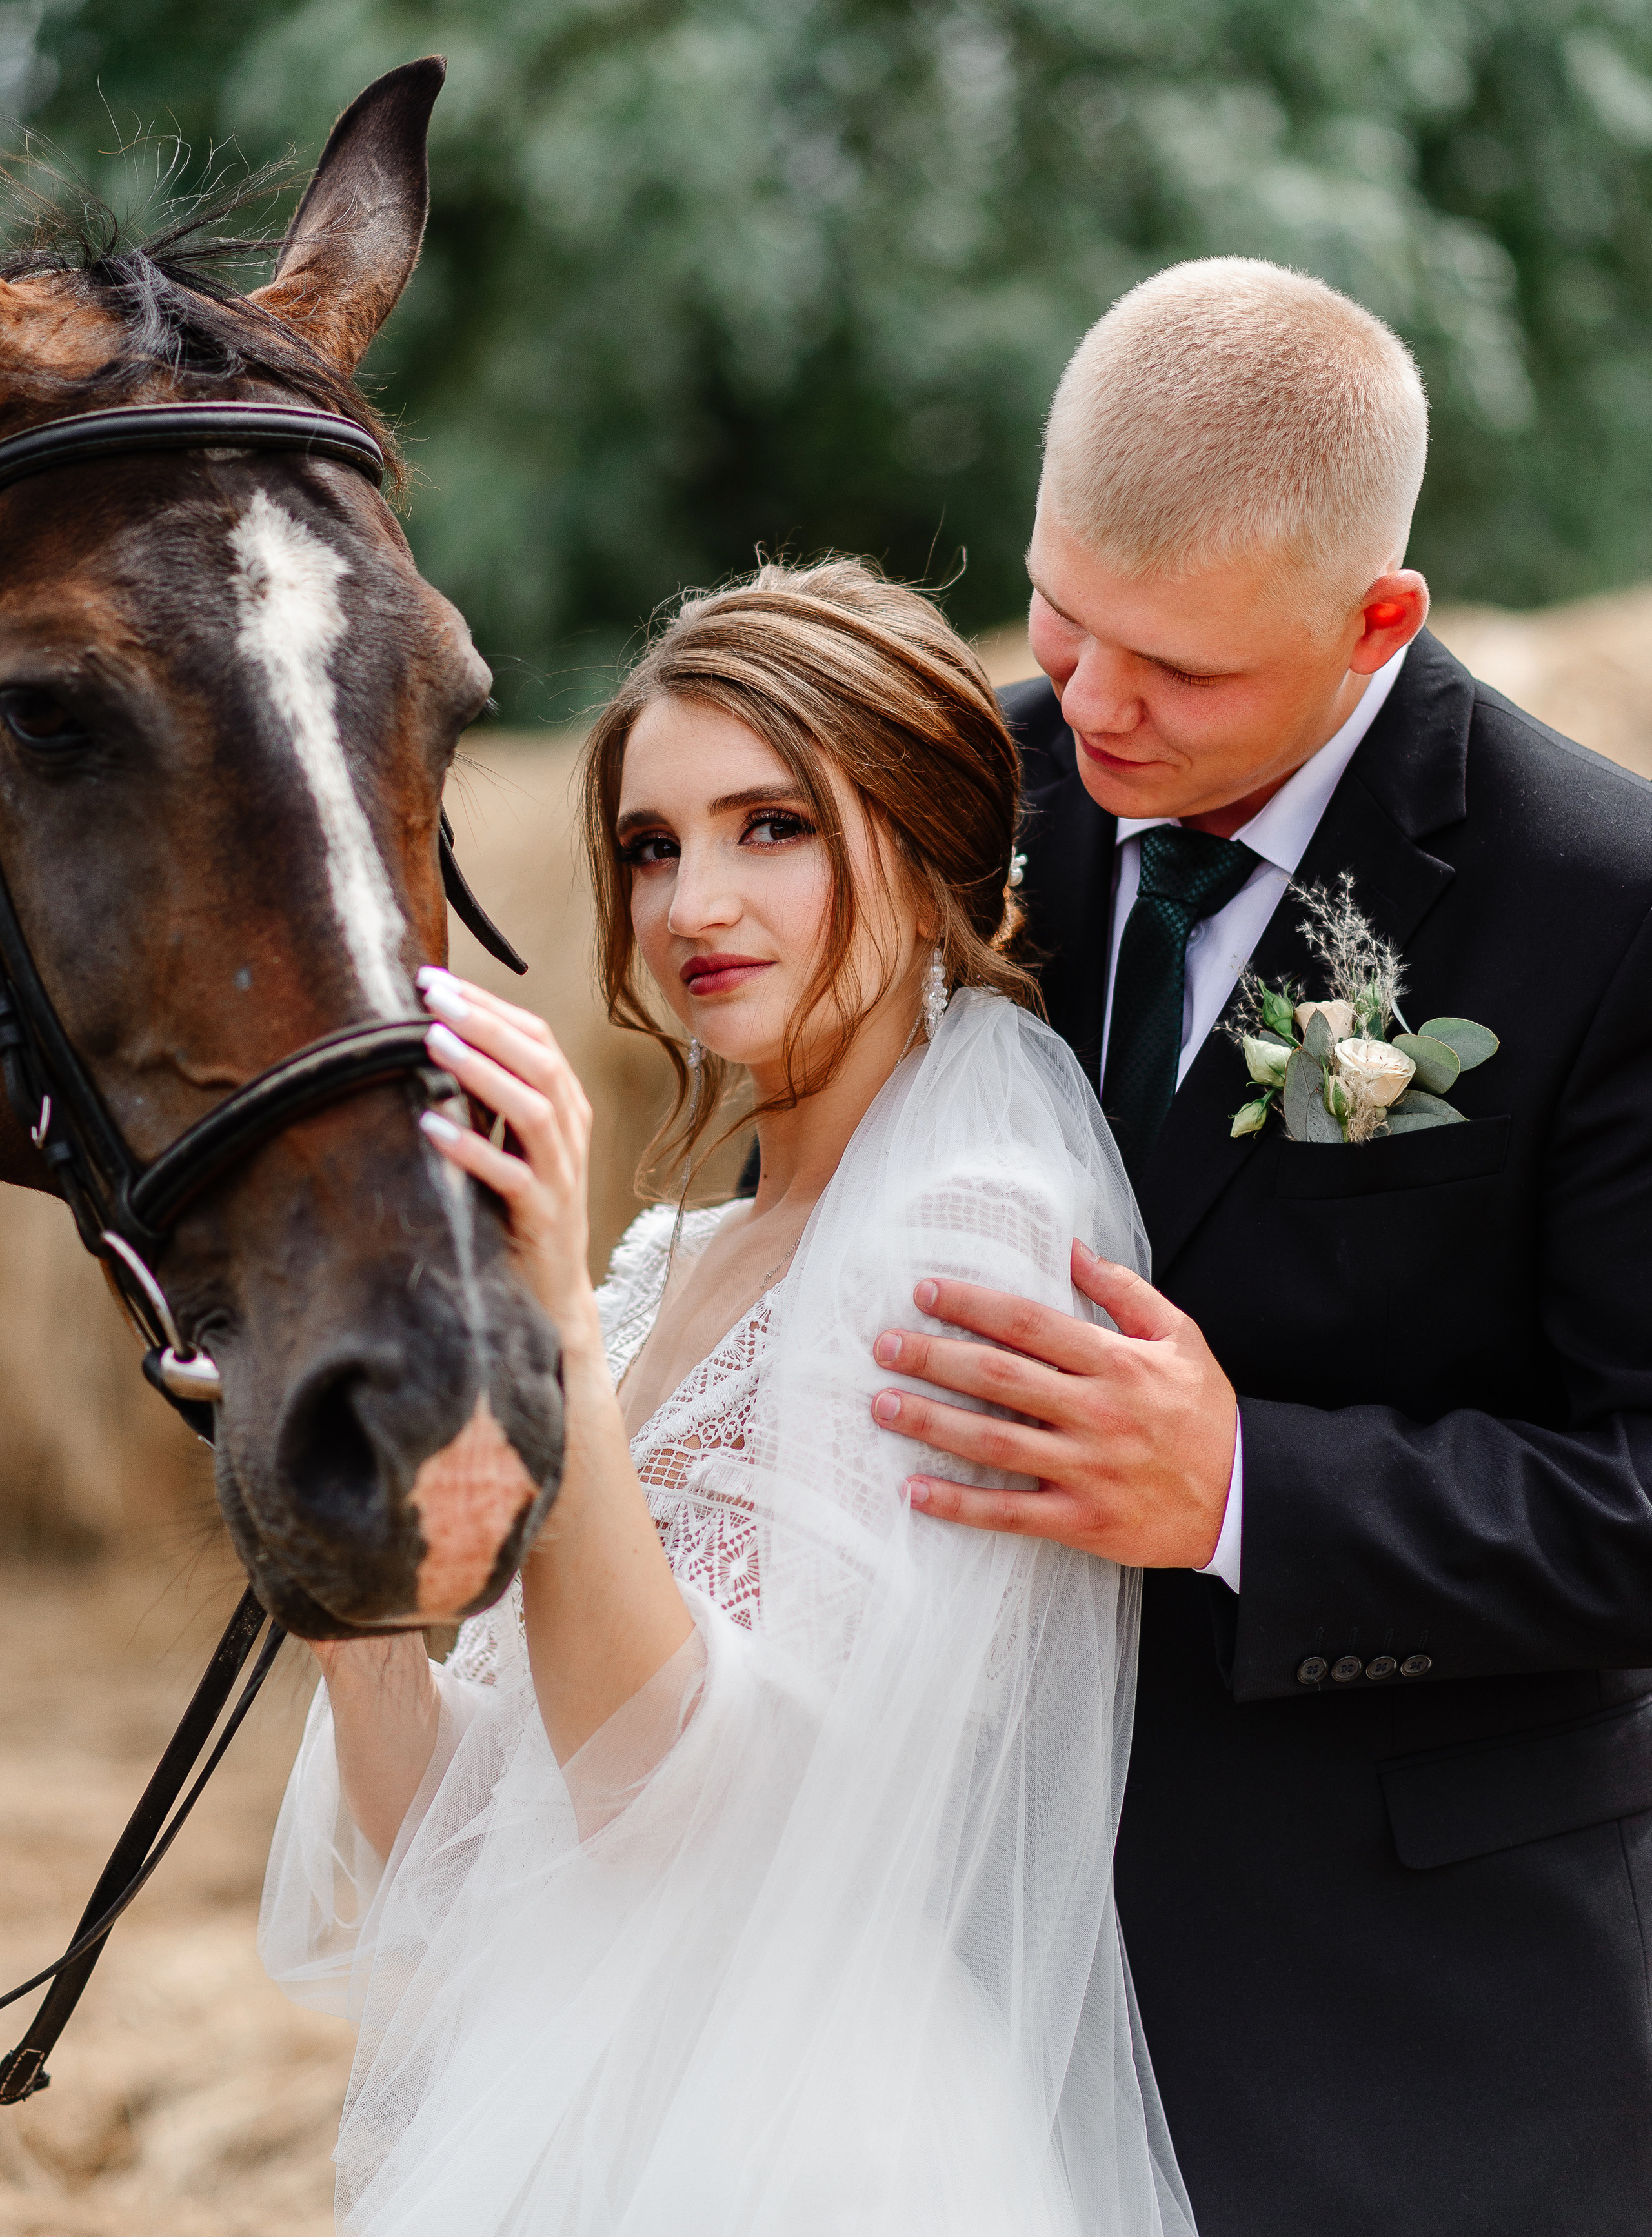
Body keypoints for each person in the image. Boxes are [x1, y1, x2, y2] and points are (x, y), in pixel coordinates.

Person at [259, 564, 1196, 2237]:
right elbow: (462, 1841)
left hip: (802, 2143)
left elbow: (671, 1803)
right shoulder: (664, 1261)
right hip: (558, 2098)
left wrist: (546, 1315)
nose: (694, 902)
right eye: (651, 843)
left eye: (773, 826)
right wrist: (325, 1528)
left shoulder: (970, 1226)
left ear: (920, 850)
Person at [866, 257, 1652, 2236]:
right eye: (1064, 612)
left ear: (1379, 616)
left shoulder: (1603, 912)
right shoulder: (954, 805)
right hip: (955, 1992)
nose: (1096, 704)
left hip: (1420, 2027)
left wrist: (1241, 1490)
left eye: (1185, 671)